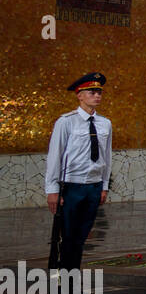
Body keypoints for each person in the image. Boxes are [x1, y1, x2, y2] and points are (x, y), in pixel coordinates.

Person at [45, 72, 112, 271]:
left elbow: (106, 157)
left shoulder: (105, 123)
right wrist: (52, 190)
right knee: (67, 235)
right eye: (92, 92)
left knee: (82, 236)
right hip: (71, 186)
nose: (97, 96)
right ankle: (63, 277)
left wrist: (104, 186)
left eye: (99, 92)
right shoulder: (66, 122)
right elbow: (54, 156)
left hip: (93, 186)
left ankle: (72, 274)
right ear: (79, 95)